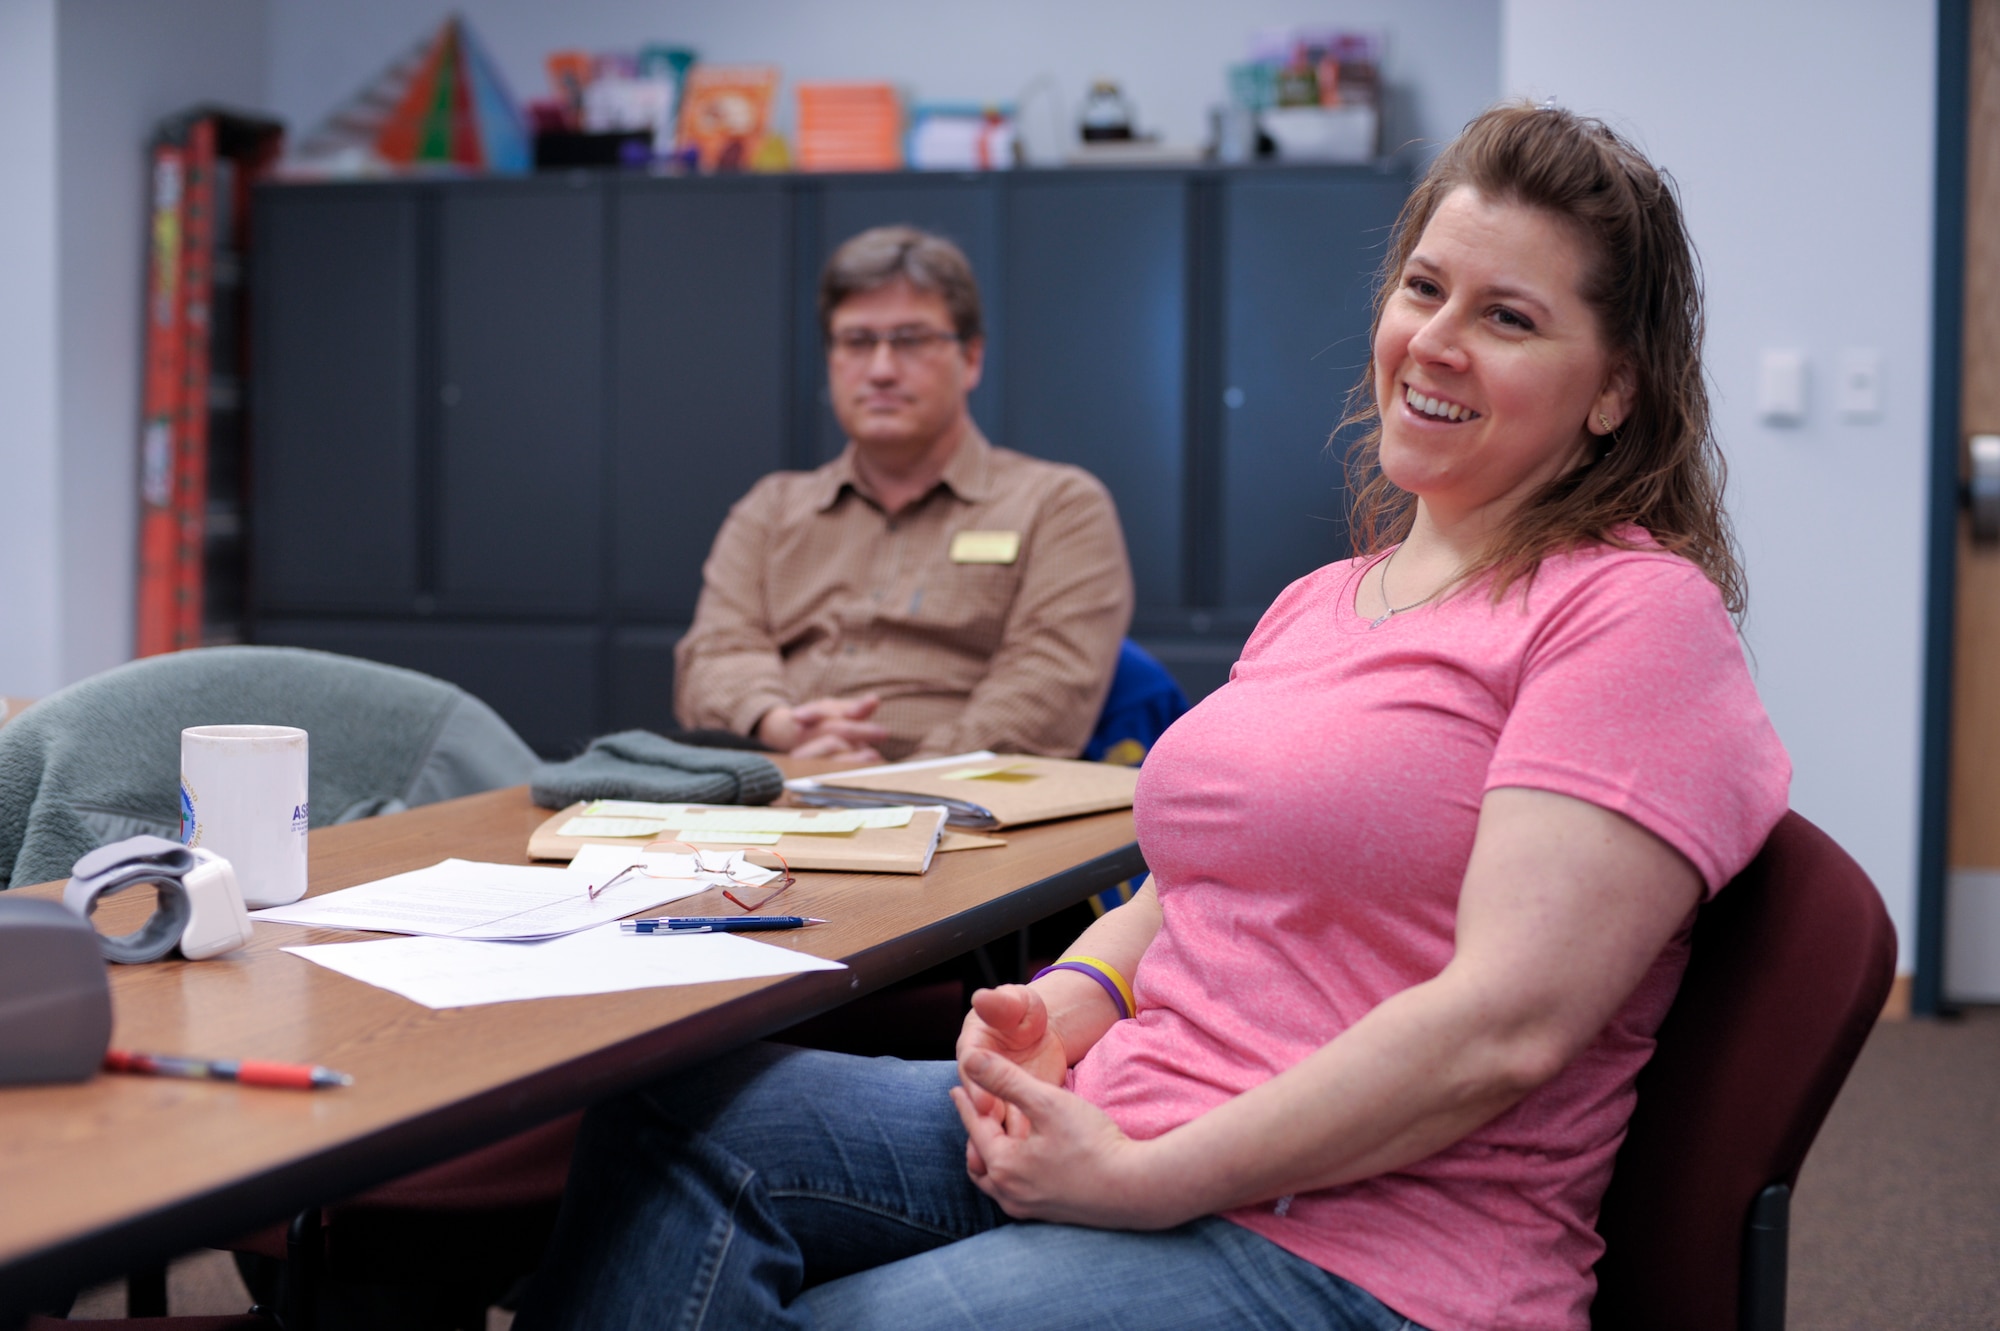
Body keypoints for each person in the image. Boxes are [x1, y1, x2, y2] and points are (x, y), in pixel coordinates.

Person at [515, 103, 1792, 1331]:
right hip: (1133, 1118)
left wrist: (1143, 1182)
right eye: (1422, 288)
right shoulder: (1325, 600)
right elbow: (1191, 878)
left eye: (1506, 316)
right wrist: (1070, 997)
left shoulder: (1631, 616)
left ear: (1614, 390)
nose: (1437, 340)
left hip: (1363, 1248)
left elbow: (1501, 1028)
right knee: (671, 1113)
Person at [672, 226, 1134, 765]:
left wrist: (893, 787)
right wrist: (782, 730)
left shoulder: (1057, 507)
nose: (882, 370)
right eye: (858, 342)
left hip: (961, 817)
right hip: (770, 787)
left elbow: (1045, 692)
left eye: (912, 340)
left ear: (972, 359)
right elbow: (714, 657)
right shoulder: (770, 510)